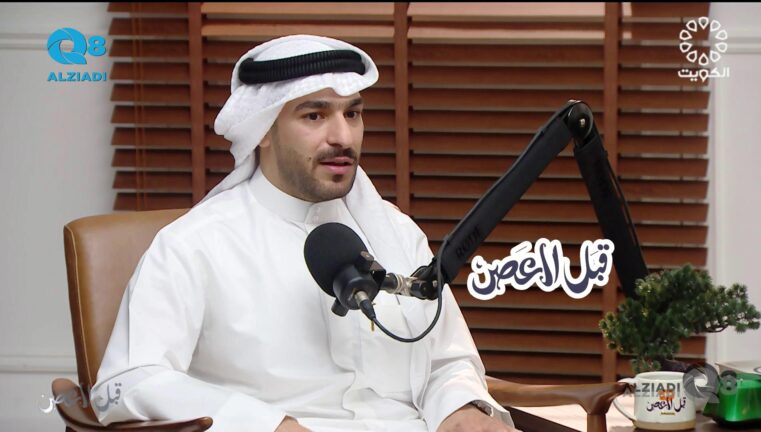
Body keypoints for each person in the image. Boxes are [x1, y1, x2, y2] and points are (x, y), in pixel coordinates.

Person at [92, 34, 516, 432]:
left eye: (352, 114)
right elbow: (127, 383)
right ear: (262, 131)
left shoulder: (396, 232)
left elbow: (446, 361)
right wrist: (266, 424)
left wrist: (460, 408)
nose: (343, 137)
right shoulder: (195, 245)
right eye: (315, 115)